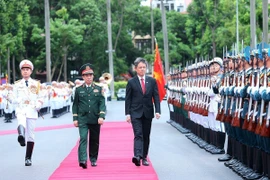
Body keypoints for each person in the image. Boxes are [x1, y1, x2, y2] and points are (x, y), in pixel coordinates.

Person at [125, 57, 161, 167]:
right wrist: (127, 114)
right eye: (140, 68)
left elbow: (156, 96)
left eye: (144, 67)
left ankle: (144, 157)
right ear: (135, 69)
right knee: (138, 134)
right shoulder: (131, 82)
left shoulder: (152, 81)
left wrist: (158, 111)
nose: (142, 69)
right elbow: (128, 99)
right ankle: (137, 156)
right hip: (135, 112)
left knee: (146, 135)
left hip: (148, 112)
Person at [72, 63, 106, 169]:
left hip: (95, 118)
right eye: (86, 75)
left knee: (94, 139)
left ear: (93, 76)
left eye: (90, 75)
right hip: (83, 118)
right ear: (83, 77)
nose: (89, 77)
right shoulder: (78, 90)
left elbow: (102, 103)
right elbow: (75, 105)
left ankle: (93, 159)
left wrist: (101, 116)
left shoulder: (99, 89)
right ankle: (82, 159)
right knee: (83, 138)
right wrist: (75, 118)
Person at [11, 59, 44, 166]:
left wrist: (38, 105)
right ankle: (21, 135)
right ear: (21, 71)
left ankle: (28, 158)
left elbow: (41, 97)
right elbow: (12, 98)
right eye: (23, 69)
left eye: (27, 69)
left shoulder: (36, 84)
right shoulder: (16, 84)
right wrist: (16, 100)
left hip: (32, 109)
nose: (25, 71)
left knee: (31, 135)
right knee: (21, 120)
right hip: (21, 108)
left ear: (31, 71)